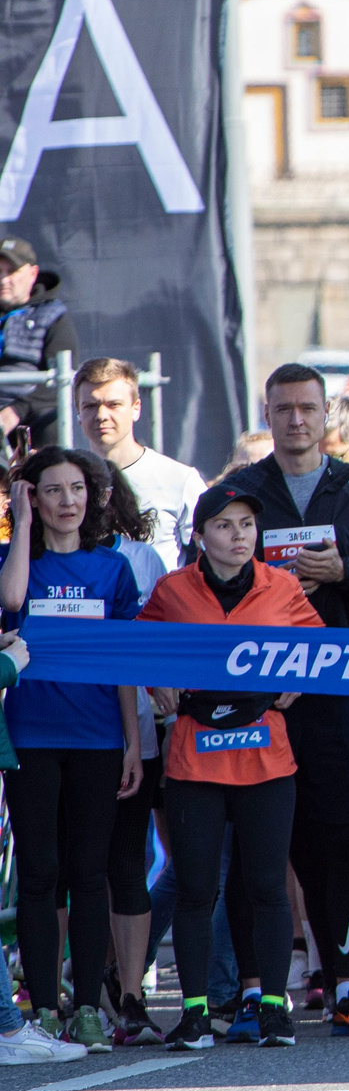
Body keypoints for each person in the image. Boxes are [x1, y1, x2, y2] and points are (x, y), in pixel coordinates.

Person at [224, 363, 349, 1034]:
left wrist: (345, 573)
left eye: (308, 408)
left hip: (333, 699)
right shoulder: (241, 491)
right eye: (284, 408)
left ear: (328, 415)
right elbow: (205, 582)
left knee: (342, 842)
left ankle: (348, 983)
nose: (296, 420)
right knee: (259, 847)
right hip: (261, 700)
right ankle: (258, 990)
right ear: (266, 414)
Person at [140, 485, 322, 1050]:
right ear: (199, 536)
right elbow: (138, 645)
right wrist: (158, 683)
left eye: (246, 524)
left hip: (266, 755)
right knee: (196, 889)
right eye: (224, 525)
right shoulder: (173, 590)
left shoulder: (283, 586)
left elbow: (319, 645)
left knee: (268, 886)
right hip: (196, 756)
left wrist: (296, 678)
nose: (239, 535)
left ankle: (271, 1007)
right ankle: (194, 1013)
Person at [1, 447, 142, 1050]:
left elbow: (125, 667)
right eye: (51, 490)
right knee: (38, 874)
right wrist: (22, 525)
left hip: (98, 738)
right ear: (33, 497)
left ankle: (87, 1005)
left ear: (94, 497)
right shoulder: (16, 563)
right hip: (31, 735)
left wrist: (134, 743)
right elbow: (10, 604)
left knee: (89, 875)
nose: (66, 501)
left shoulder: (113, 571)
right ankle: (41, 1008)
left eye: (76, 489)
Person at [0, 629, 90, 1061]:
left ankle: (10, 1026)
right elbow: (15, 595)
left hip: (88, 733)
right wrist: (10, 664)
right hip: (30, 733)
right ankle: (11, 1028)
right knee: (40, 875)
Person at [75, 357, 204, 571]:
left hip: (160, 603)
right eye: (90, 406)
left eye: (113, 404)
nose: (101, 415)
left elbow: (209, 554)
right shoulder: (65, 482)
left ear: (136, 408)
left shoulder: (180, 479)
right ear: (78, 413)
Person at [0, 236, 76, 442]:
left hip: (28, 412)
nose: (3, 279)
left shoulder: (53, 315)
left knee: (50, 422)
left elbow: (61, 380)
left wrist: (15, 411)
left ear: (32, 273)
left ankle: (47, 472)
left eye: (11, 271)